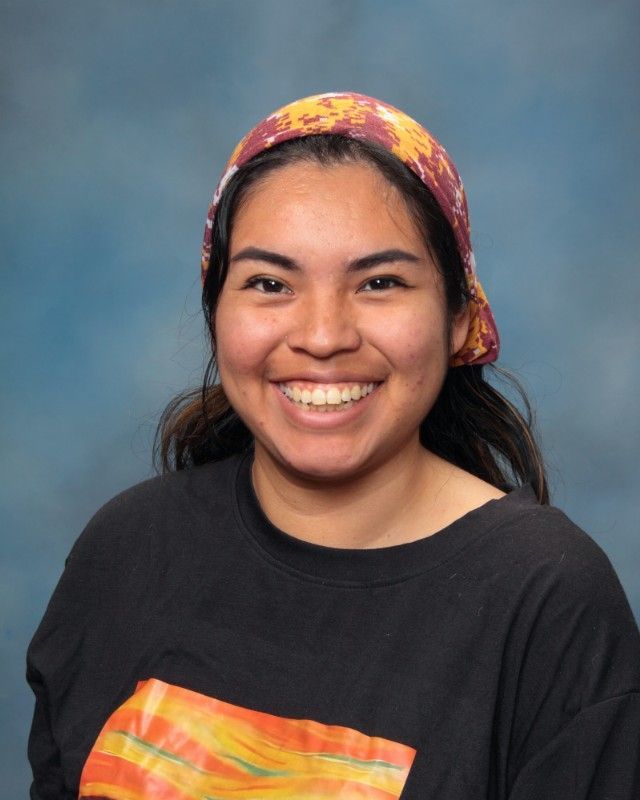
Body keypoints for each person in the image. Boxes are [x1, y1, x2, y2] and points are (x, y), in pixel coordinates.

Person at [27, 92, 640, 799]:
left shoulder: (548, 600)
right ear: (215, 310)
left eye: (380, 283)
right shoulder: (125, 550)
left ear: (458, 317)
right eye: (269, 283)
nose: (322, 336)